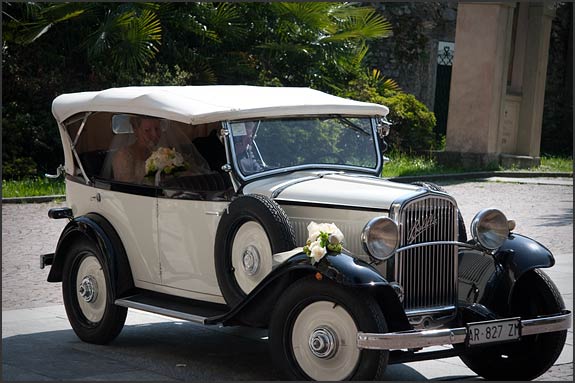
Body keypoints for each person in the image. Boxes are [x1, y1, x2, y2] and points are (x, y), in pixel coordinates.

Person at [113, 116, 161, 183]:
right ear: (136, 130)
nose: (154, 134)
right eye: (147, 130)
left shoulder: (161, 152)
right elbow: (125, 187)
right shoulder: (124, 156)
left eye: (157, 129)